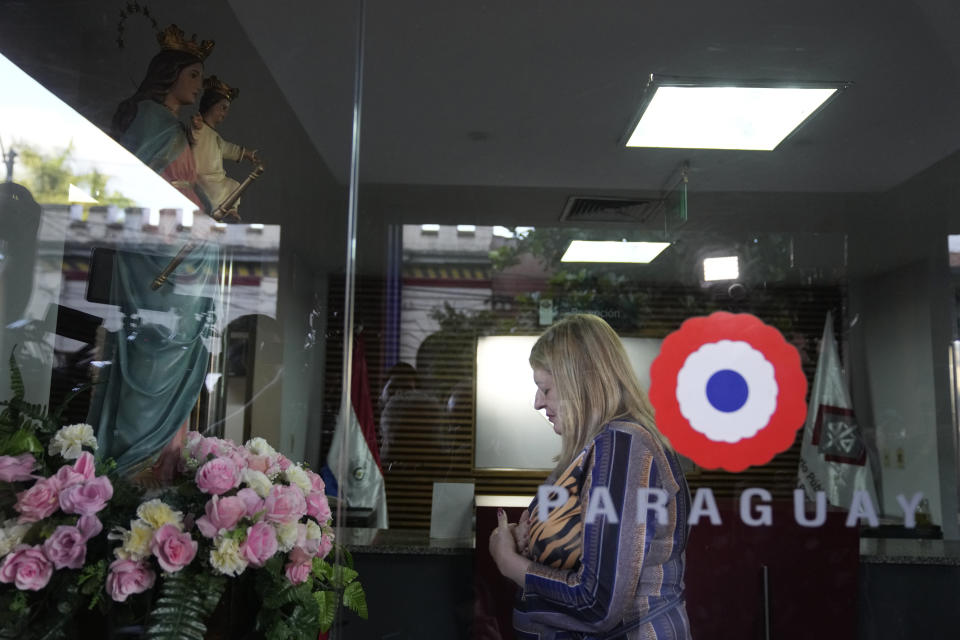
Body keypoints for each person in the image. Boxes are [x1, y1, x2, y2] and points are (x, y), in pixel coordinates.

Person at [488, 314, 692, 639]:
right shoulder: (600, 447)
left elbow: (598, 604)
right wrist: (534, 540)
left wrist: (509, 563)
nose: (537, 403)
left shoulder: (624, 446)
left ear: (578, 384)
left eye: (546, 388)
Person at [110, 25, 214, 213]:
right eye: (193, 75)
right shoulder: (150, 116)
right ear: (171, 72)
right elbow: (137, 178)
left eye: (201, 77)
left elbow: (188, 184)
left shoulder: (176, 126)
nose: (199, 85)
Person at [191, 75, 260, 216]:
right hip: (202, 178)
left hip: (217, 178)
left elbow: (228, 148)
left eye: (227, 109)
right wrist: (196, 126)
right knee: (216, 192)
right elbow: (194, 135)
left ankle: (230, 211)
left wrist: (246, 153)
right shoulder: (201, 128)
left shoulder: (216, 137)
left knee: (233, 186)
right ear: (210, 104)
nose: (225, 113)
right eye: (222, 107)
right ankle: (223, 211)